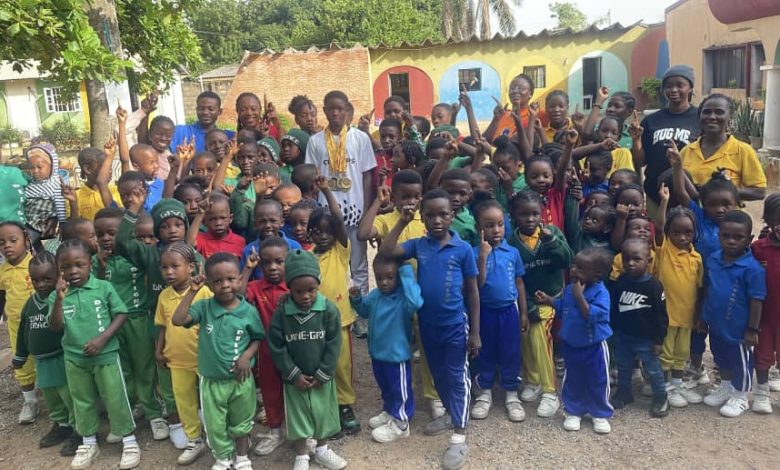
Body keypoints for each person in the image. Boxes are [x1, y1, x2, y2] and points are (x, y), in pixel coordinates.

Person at [379, 189, 480, 470]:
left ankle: (460, 435)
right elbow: (387, 251)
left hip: (455, 325)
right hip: (427, 325)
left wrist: (476, 333)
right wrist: (401, 220)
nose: (437, 221)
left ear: (452, 216)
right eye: (431, 215)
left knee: (457, 376)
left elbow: (472, 292)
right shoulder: (418, 245)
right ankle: (450, 413)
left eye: (443, 215)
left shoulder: (462, 250)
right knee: (437, 374)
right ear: (423, 218)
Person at [49, 239, 140, 470]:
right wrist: (59, 301)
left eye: (79, 264)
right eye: (66, 267)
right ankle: (89, 442)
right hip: (75, 359)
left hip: (106, 356)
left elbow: (121, 314)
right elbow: (55, 327)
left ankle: (129, 440)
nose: (73, 271)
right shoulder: (59, 293)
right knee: (82, 401)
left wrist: (102, 339)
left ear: (90, 264)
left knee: (115, 397)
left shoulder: (103, 287)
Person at [172, 253, 264, 470]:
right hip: (212, 382)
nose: (225, 285)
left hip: (241, 381)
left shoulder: (248, 311)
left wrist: (246, 357)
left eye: (231, 279)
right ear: (210, 285)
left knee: (242, 422)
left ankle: (241, 457)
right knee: (215, 425)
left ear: (240, 280)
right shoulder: (204, 307)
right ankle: (223, 457)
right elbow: (178, 320)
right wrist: (192, 292)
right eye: (218, 281)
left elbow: (258, 338)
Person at [93, 208, 169, 442]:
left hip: (137, 318)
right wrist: (101, 266)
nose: (106, 238)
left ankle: (155, 414)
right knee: (122, 370)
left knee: (144, 368)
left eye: (112, 233)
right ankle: (131, 411)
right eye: (100, 234)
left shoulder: (137, 255)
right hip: (111, 325)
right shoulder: (97, 262)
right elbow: (93, 288)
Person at [268, 248, 347, 470]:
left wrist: (324, 372)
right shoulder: (283, 312)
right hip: (295, 379)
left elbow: (334, 343)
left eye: (311, 290)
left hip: (322, 376)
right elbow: (276, 344)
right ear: (289, 288)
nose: (305, 296)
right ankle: (302, 455)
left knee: (323, 414)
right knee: (298, 417)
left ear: (318, 285)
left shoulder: (328, 309)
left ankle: (322, 449)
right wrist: (292, 374)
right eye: (298, 291)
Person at [305, 90, 376, 299]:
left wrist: (366, 209)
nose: (335, 113)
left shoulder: (361, 139)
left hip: (355, 212)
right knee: (329, 263)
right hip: (327, 213)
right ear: (325, 111)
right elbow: (312, 177)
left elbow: (367, 177)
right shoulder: (316, 141)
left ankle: (361, 313)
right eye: (331, 109)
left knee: (359, 265)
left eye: (340, 109)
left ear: (347, 111)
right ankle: (332, 305)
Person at [508, 191, 572, 417]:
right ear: (513, 215)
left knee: (538, 335)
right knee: (525, 335)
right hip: (526, 301)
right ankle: (532, 379)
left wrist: (552, 242)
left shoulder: (552, 233)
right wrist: (527, 307)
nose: (530, 219)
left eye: (535, 213)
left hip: (551, 298)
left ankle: (550, 391)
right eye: (523, 214)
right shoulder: (511, 242)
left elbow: (568, 261)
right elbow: (515, 279)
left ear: (542, 213)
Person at [535, 247, 613, 433]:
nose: (574, 270)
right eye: (574, 266)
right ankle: (573, 410)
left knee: (598, 379)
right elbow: (564, 309)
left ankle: (599, 413)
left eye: (580, 268)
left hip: (593, 345)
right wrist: (549, 300)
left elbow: (593, 316)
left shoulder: (601, 293)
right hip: (571, 343)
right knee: (573, 379)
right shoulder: (570, 289)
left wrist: (580, 297)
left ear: (597, 275)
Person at [12, 251, 80, 455]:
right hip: (41, 362)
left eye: (46, 279)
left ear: (58, 275)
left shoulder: (61, 298)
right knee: (52, 397)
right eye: (35, 280)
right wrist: (20, 356)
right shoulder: (30, 304)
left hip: (61, 357)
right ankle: (62, 425)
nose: (41, 284)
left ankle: (79, 430)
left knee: (69, 396)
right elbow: (24, 331)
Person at [350, 254, 423, 443]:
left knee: (400, 389)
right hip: (378, 354)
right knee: (386, 387)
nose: (384, 282)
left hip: (397, 356)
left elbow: (416, 302)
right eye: (379, 277)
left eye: (390, 277)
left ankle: (401, 423)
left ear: (398, 276)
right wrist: (357, 300)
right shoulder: (376, 295)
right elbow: (365, 310)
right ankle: (391, 411)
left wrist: (406, 272)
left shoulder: (404, 299)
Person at [308, 176, 361, 435]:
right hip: (314, 323)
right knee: (320, 365)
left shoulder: (340, 252)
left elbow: (339, 221)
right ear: (310, 234)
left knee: (342, 365)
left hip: (340, 320)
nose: (324, 235)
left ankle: (345, 405)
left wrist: (328, 191)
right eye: (317, 231)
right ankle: (327, 407)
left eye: (328, 231)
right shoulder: (305, 257)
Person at [700, 211, 766, 418]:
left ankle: (740, 395)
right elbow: (708, 289)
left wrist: (752, 329)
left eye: (738, 237)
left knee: (741, 362)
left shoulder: (753, 269)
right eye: (725, 236)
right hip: (717, 324)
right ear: (718, 235)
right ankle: (727, 387)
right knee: (721, 357)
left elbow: (757, 300)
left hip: (739, 329)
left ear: (749, 239)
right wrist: (703, 317)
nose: (731, 241)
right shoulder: (713, 259)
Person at [154, 242, 213, 465]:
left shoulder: (205, 293)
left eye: (174, 266)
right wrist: (158, 350)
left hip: (204, 358)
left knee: (209, 399)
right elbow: (162, 325)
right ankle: (194, 439)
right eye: (164, 267)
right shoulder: (164, 297)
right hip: (176, 359)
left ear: (191, 267)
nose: (169, 272)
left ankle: (217, 436)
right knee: (185, 402)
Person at [470, 199, 528, 422]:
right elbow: (478, 284)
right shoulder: (474, 253)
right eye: (489, 225)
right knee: (485, 351)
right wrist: (483, 257)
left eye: (500, 224)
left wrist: (523, 312)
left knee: (510, 351)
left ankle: (512, 393)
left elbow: (520, 283)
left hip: (508, 311)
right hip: (484, 312)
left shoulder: (512, 252)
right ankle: (484, 393)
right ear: (479, 228)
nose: (496, 230)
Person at [654, 188, 704, 407]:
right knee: (665, 355)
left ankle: (678, 383)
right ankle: (666, 388)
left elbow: (700, 288)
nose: (682, 237)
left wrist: (699, 316)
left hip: (687, 317)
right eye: (676, 233)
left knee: (681, 354)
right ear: (669, 233)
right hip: (666, 317)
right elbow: (658, 228)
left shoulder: (697, 257)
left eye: (688, 233)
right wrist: (664, 202)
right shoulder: (664, 250)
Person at [610, 239, 669, 418]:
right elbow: (615, 308)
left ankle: (661, 397)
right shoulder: (620, 281)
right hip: (623, 336)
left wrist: (658, 340)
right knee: (624, 367)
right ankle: (624, 393)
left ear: (648, 260)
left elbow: (661, 316)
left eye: (637, 259)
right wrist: (614, 331)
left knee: (653, 369)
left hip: (646, 339)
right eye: (626, 259)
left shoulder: (654, 286)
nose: (631, 263)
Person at [242, 237, 289, 456]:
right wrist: (248, 270)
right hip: (267, 352)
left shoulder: (295, 286)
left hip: (293, 352)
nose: (273, 267)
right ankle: (276, 431)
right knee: (270, 392)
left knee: (295, 390)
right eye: (267, 263)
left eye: (279, 261)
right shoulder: (255, 286)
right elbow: (238, 296)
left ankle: (303, 431)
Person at [635, 65, 700, 218]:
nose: (674, 90)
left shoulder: (700, 118)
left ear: (690, 88)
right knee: (658, 238)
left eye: (680, 85)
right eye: (669, 86)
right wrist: (636, 139)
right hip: (655, 194)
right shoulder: (651, 121)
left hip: (690, 194)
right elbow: (640, 163)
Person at [680, 94, 767, 201]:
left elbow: (759, 191)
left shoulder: (743, 150)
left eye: (719, 112)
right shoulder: (686, 151)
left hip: (727, 217)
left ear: (729, 117)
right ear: (699, 116)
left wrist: (721, 190)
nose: (712, 117)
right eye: (706, 112)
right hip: (692, 216)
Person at [0, 221, 38, 424]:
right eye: (2, 242)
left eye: (13, 240)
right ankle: (30, 402)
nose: (7, 246)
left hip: (40, 324)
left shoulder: (36, 265)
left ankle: (57, 400)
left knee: (45, 361)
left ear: (26, 239)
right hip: (16, 327)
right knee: (22, 365)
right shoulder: (2, 271)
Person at [752, 194, 780, 414]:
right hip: (765, 314)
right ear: (768, 220)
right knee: (762, 353)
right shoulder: (758, 248)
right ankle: (761, 393)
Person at [24, 144, 67, 248]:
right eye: (31, 167)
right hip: (25, 221)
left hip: (38, 224)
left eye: (39, 167)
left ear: (52, 166)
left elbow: (60, 205)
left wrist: (62, 224)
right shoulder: (30, 183)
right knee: (36, 248)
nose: (35, 171)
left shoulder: (55, 184)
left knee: (25, 244)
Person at [170, 91, 234, 153]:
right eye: (201, 108)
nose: (205, 112)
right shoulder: (180, 131)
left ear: (219, 111)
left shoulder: (228, 136)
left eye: (211, 109)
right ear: (196, 109)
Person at [188, 193, 245, 259]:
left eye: (223, 218)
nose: (218, 223)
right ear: (204, 222)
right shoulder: (202, 239)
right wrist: (200, 213)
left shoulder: (239, 241)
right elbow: (189, 244)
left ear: (231, 218)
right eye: (212, 219)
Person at [75, 145, 123, 221]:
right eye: (104, 167)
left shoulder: (118, 191)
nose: (110, 171)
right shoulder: (76, 197)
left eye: (109, 167)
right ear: (88, 169)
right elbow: (74, 225)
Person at [484, 74, 535, 141]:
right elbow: (484, 140)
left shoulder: (531, 116)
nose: (515, 91)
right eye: (512, 88)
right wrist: (495, 120)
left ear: (530, 94)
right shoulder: (503, 114)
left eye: (520, 88)